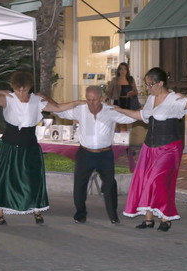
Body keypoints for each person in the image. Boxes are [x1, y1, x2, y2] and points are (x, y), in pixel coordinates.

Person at [0, 71, 75, 225]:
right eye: (17, 90)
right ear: (13, 88)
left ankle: (36, 209)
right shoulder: (8, 99)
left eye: (24, 90)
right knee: (3, 179)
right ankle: (0, 212)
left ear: (29, 88)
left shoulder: (37, 101)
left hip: (29, 146)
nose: (21, 93)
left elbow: (59, 107)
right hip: (9, 145)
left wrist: (81, 102)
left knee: (32, 178)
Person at [112, 67, 187, 232]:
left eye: (150, 84)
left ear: (160, 83)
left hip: (169, 147)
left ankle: (165, 217)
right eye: (146, 84)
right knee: (144, 180)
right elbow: (140, 116)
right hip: (149, 147)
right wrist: (119, 110)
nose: (147, 88)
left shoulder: (174, 99)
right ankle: (149, 219)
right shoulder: (151, 99)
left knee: (157, 180)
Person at [54, 85, 136, 224]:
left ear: (101, 98)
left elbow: (131, 118)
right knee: (79, 184)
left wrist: (121, 109)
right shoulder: (80, 110)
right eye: (88, 100)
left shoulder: (110, 111)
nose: (91, 103)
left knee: (110, 184)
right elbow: (59, 111)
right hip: (85, 153)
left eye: (94, 100)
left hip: (105, 154)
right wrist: (70, 102)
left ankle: (113, 215)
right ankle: (80, 213)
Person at [107, 62, 138, 131]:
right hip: (118, 102)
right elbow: (109, 93)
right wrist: (108, 103)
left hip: (128, 103)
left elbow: (136, 92)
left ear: (127, 70)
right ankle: (117, 139)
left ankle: (124, 139)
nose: (122, 71)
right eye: (121, 69)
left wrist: (132, 93)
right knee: (117, 123)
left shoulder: (131, 79)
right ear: (118, 70)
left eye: (124, 69)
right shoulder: (115, 80)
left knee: (124, 124)